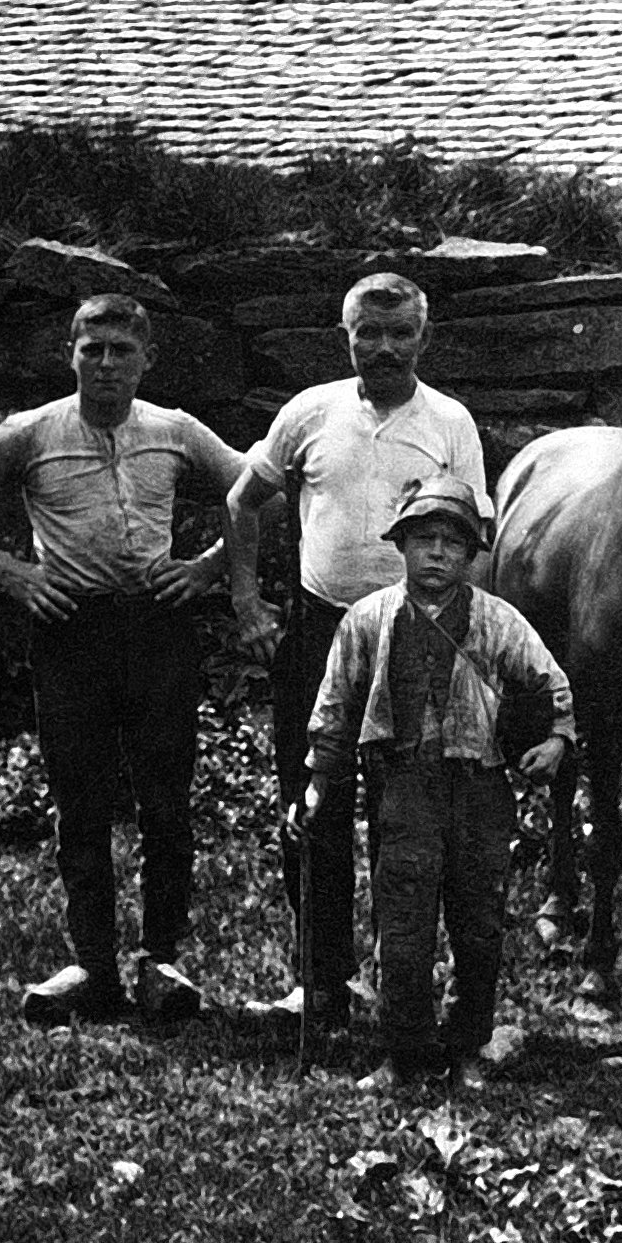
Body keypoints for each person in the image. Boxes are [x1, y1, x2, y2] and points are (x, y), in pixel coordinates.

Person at [0, 294, 245, 1026]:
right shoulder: (29, 433)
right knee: (80, 803)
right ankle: (93, 966)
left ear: (147, 359)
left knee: (166, 801)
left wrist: (207, 569)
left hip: (156, 628)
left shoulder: (174, 429)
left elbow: (259, 492)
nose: (105, 364)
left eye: (121, 350)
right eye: (91, 349)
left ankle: (161, 961)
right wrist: (13, 574)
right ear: (70, 354)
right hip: (71, 633)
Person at [225, 273, 488, 1034]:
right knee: (315, 806)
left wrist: (465, 645)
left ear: (423, 338)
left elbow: (474, 534)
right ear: (345, 337)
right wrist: (247, 603)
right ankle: (321, 982)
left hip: (415, 638)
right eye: (367, 333)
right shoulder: (309, 412)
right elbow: (242, 500)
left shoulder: (450, 422)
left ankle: (403, 982)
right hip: (319, 635)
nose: (384, 348)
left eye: (399, 333)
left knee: (410, 817)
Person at [300, 476, 575, 1092]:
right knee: (402, 925)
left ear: (471, 555)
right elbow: (335, 706)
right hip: (403, 788)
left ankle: (468, 1045)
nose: (437, 554)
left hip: (479, 790)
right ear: (401, 545)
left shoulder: (499, 622)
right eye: (424, 539)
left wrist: (556, 740)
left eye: (453, 543)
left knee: (478, 926)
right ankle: (403, 1054)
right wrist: (318, 783)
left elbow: (552, 684)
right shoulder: (368, 620)